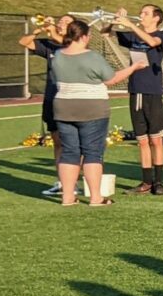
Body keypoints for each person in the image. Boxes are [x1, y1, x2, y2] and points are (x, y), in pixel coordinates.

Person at [48, 19, 140, 205]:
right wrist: (133, 68)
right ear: (82, 36)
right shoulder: (92, 57)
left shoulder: (58, 55)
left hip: (64, 106)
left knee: (69, 152)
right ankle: (95, 197)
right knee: (92, 153)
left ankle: (67, 196)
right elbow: (111, 79)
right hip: (92, 107)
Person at [113, 6, 163, 195]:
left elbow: (152, 42)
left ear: (156, 18)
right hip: (136, 91)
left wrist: (130, 24)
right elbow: (107, 33)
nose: (141, 15)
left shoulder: (161, 35)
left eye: (145, 13)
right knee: (142, 140)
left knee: (156, 139)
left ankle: (159, 181)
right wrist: (113, 21)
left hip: (153, 92)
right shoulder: (132, 34)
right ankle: (146, 181)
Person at [21, 14, 76, 197]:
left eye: (65, 22)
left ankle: (74, 181)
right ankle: (62, 182)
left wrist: (53, 32)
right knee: (58, 143)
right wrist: (37, 31)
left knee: (72, 143)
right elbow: (24, 42)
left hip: (70, 99)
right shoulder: (51, 44)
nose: (61, 24)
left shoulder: (75, 43)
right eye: (60, 22)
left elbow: (68, 46)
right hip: (52, 98)